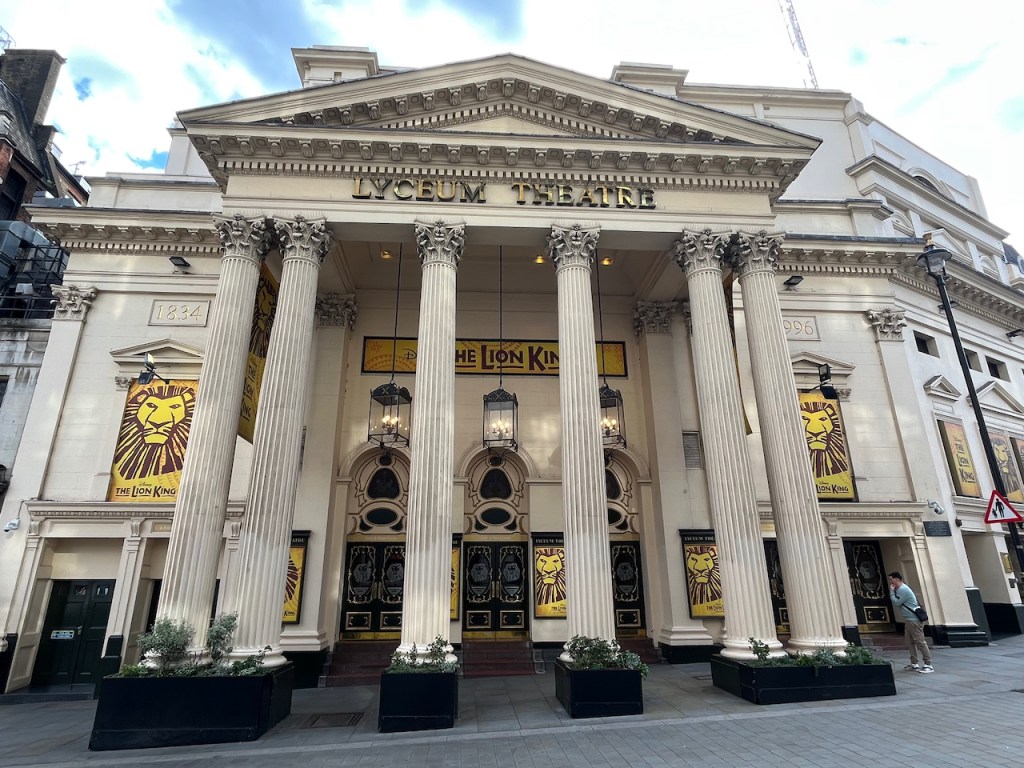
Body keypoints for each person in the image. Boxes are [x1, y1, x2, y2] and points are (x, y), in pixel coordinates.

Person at [888, 571, 933, 673]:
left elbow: (897, 602)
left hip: (914, 620)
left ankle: (928, 664)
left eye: (891, 579)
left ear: (897, 579)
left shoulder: (903, 589)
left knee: (920, 642)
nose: (890, 581)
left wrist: (891, 592)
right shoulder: (900, 589)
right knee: (909, 642)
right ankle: (914, 663)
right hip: (908, 620)